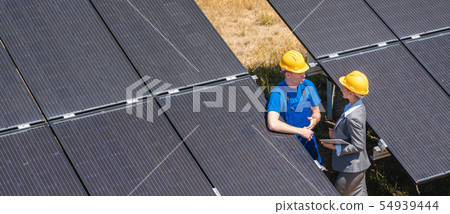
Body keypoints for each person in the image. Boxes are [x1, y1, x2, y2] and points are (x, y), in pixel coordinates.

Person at [267, 50, 322, 164]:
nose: (304, 75)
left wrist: (314, 120)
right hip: (289, 147)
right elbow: (272, 123)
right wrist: (300, 131)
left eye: (304, 71)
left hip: (309, 141)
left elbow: (316, 111)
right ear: (288, 74)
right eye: (299, 73)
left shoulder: (308, 85)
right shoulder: (278, 93)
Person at [321, 70, 371, 196]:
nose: (341, 88)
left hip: (352, 169)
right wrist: (336, 136)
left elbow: (359, 145)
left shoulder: (353, 116)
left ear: (351, 92)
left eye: (344, 86)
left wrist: (335, 146)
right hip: (357, 166)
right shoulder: (354, 107)